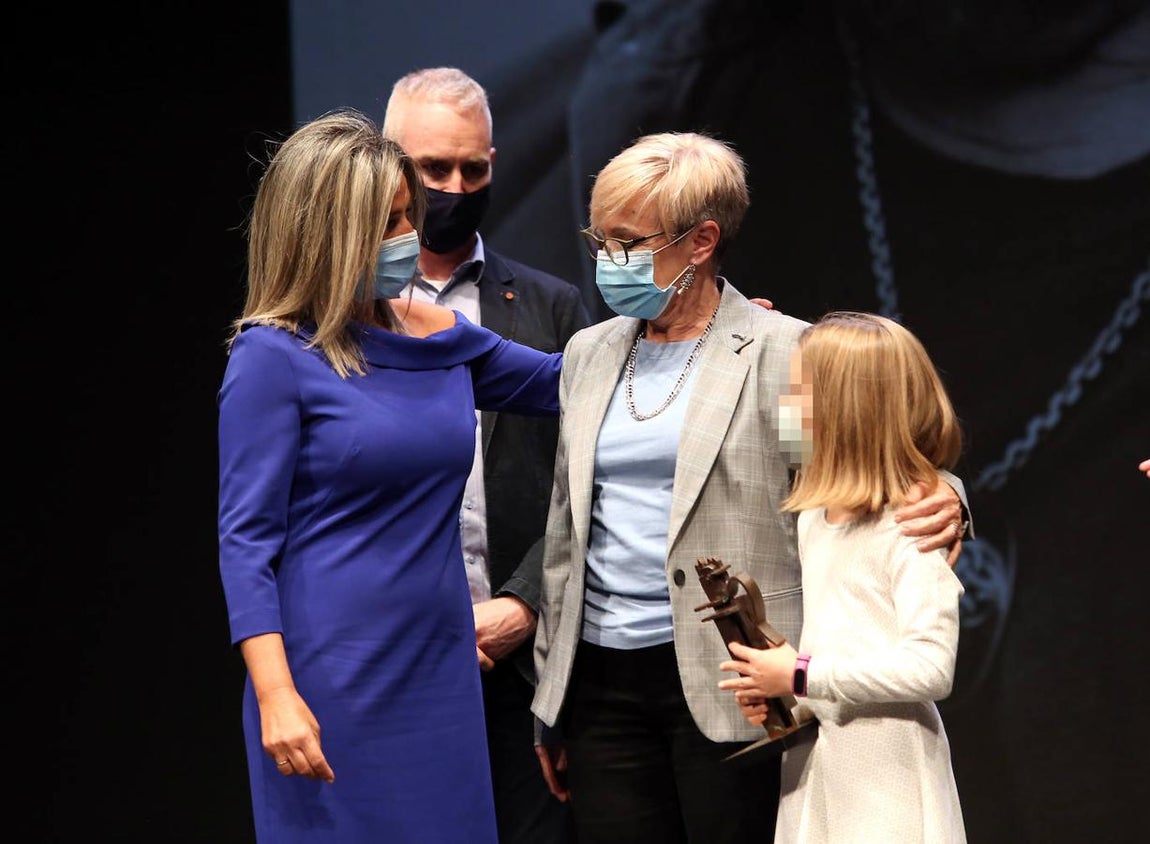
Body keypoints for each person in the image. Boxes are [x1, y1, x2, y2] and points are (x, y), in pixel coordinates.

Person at [530, 131, 968, 843]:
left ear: (701, 241)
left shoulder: (778, 355)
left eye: (628, 241)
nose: (610, 261)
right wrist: (552, 694)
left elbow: (862, 465)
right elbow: (566, 526)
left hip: (736, 679)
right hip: (600, 685)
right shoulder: (591, 353)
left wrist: (949, 498)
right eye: (600, 241)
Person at [216, 108, 564, 843]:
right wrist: (275, 693)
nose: (409, 236)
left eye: (407, 215)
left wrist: (700, 337)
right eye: (386, 223)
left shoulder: (439, 337)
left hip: (439, 671)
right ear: (328, 236)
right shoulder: (271, 357)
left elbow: (576, 385)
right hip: (327, 677)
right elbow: (246, 543)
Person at [381, 66, 587, 844]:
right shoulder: (340, 307)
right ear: (391, 164)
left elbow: (585, 476)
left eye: (475, 168)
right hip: (393, 651)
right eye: (435, 168)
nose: (457, 186)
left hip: (520, 656)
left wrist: (525, 600)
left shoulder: (549, 305)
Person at [718, 311, 967, 843]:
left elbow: (930, 667)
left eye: (797, 393)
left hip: (889, 777)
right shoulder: (817, 516)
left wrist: (801, 674)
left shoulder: (910, 528)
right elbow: (845, 641)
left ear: (844, 410)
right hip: (825, 765)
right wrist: (783, 688)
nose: (784, 408)